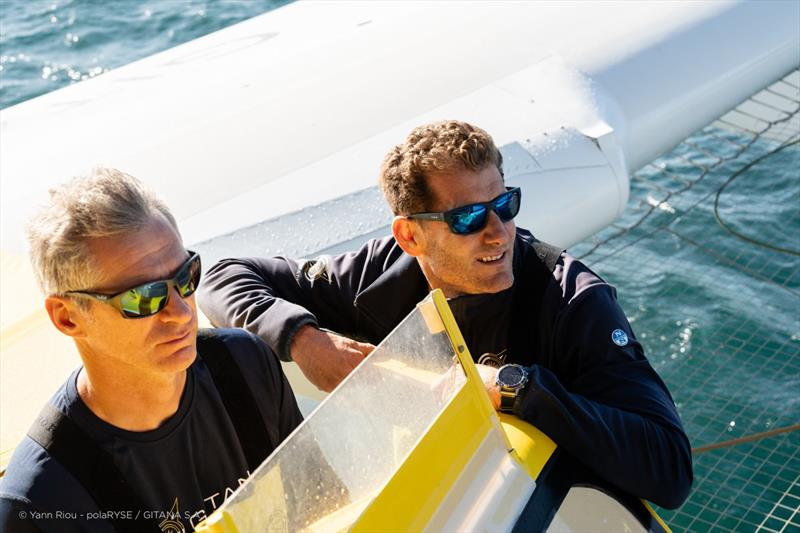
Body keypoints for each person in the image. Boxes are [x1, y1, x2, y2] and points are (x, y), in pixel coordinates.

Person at [198, 120, 693, 509]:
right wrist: (305, 341)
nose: (498, 233)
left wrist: (518, 388)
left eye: (505, 203)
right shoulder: (376, 278)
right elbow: (222, 276)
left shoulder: (573, 301)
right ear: (411, 237)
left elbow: (670, 469)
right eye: (468, 219)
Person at [0, 168, 303, 532]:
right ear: (67, 318)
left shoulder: (246, 367)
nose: (180, 312)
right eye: (144, 297)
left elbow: (328, 505)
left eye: (185, 278)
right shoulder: (38, 504)